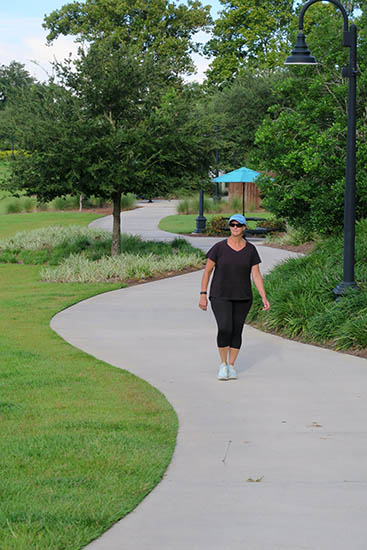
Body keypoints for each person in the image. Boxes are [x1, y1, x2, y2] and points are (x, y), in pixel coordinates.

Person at [198, 214, 270, 380]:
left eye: (239, 225)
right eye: (232, 225)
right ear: (229, 227)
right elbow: (207, 272)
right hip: (219, 295)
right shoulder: (218, 248)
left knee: (237, 330)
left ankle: (231, 366)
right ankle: (223, 364)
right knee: (225, 327)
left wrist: (264, 296)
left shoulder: (250, 250)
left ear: (244, 228)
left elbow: (256, 275)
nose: (235, 227)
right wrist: (203, 294)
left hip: (243, 296)